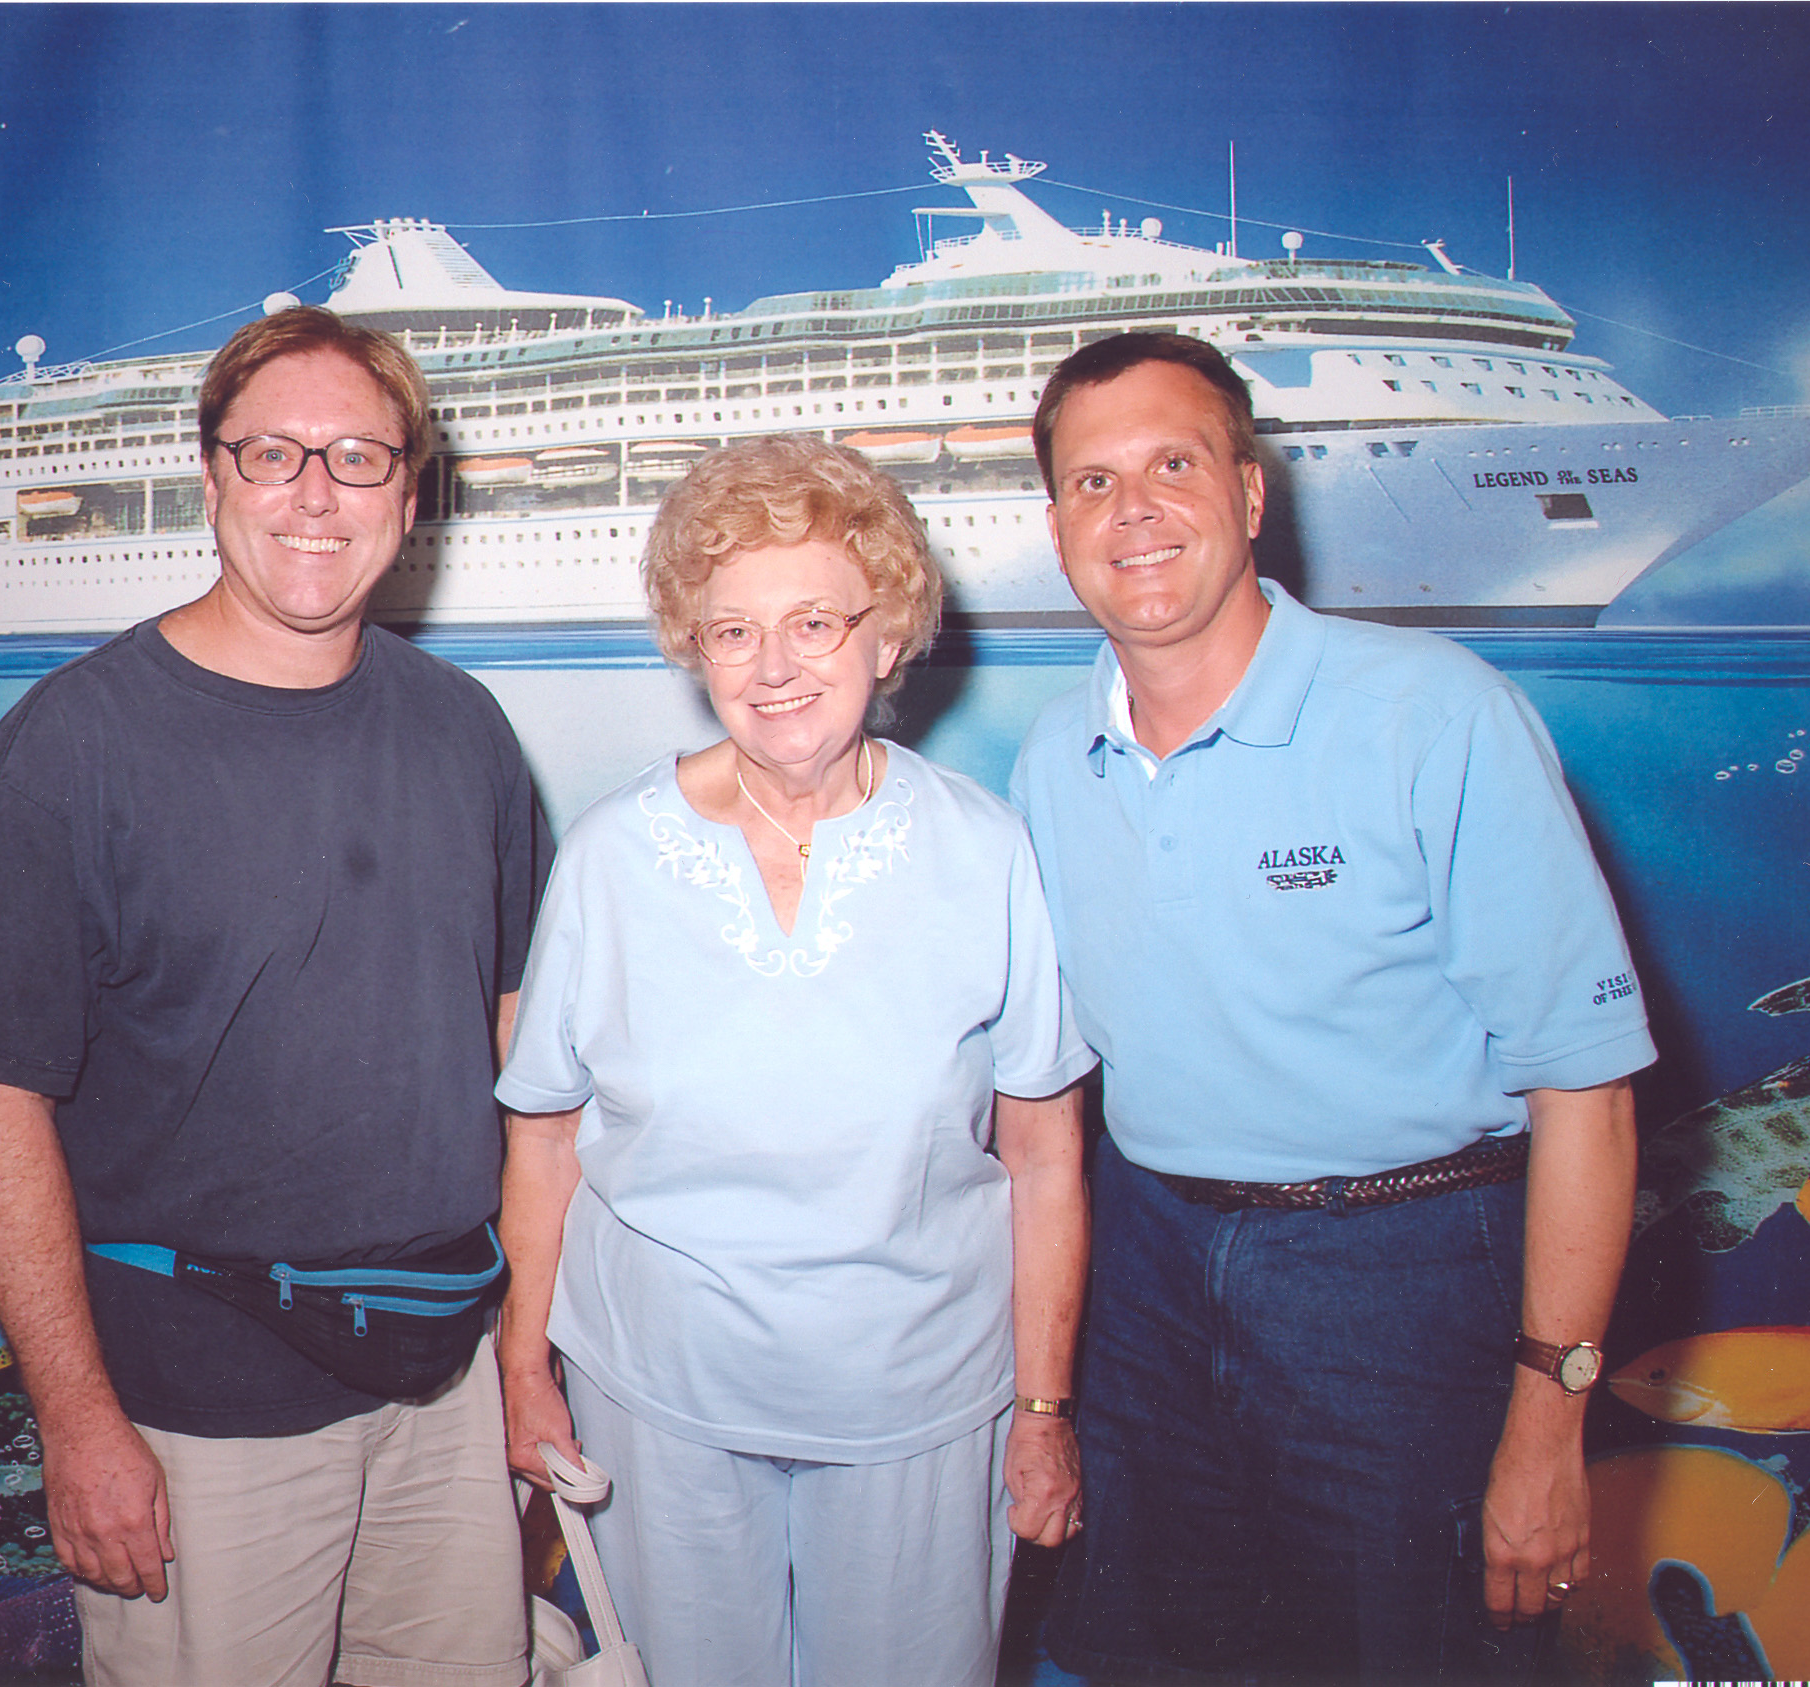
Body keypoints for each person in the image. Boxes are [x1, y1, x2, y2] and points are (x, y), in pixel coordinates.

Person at [0, 306, 549, 1687]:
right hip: (195, 1413)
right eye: (274, 453)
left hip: (444, 1386)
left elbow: (516, 1054)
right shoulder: (71, 751)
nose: (315, 493)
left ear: (409, 494)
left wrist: (529, 1354)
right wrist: (78, 1420)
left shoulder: (464, 729)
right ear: (210, 477)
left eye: (358, 457)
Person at [1008, 333, 1655, 1685]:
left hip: (1400, 1275)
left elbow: (1586, 1091)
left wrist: (1549, 1416)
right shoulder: (1053, 759)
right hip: (1148, 1272)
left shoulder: (1432, 714)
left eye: (1174, 465)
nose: (1133, 511)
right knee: (1161, 1661)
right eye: (1091, 482)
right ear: (1056, 526)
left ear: (1250, 493)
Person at [496, 434, 1096, 1687]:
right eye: (732, 631)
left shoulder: (982, 849)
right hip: (657, 1393)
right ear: (693, 647)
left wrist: (1042, 1411)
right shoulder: (611, 856)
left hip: (917, 1400)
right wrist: (522, 1367)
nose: (772, 668)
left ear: (887, 635)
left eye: (814, 622)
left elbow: (1043, 1158)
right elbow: (544, 1138)